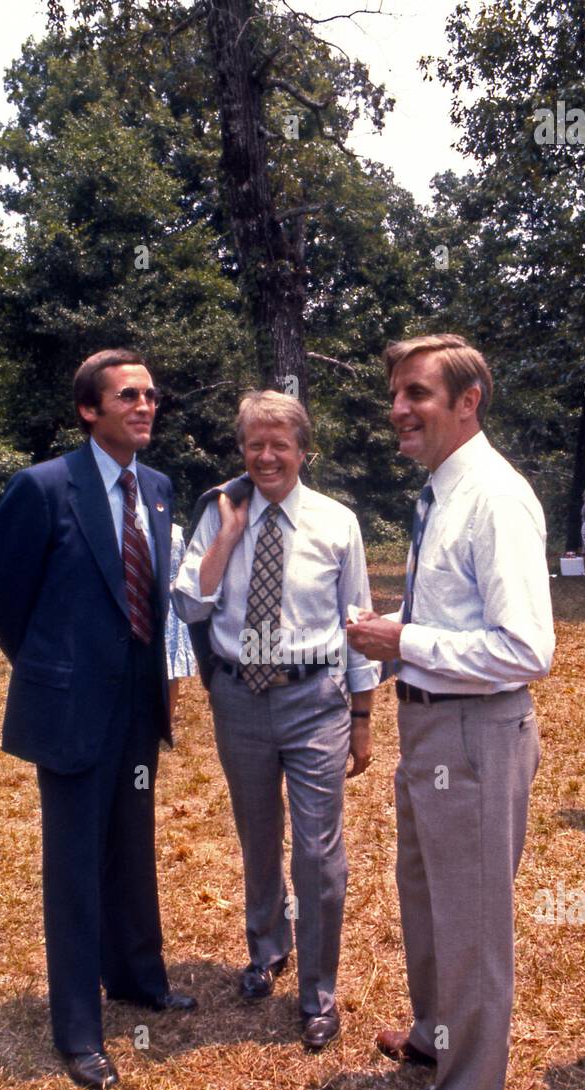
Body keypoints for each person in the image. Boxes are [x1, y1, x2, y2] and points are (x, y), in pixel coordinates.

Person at [347, 334, 555, 1090]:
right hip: (432, 725)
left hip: (473, 730)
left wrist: (407, 640)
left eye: (418, 393)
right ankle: (438, 1036)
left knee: (471, 921)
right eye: (396, 392)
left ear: (468, 403)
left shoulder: (494, 498)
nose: (400, 409)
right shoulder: (442, 493)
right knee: (429, 895)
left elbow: (527, 649)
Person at [0, 349, 196, 1090]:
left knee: (132, 845)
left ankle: (138, 980)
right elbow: (4, 603)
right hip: (71, 707)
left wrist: (162, 680)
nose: (144, 406)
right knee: (73, 864)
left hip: (138, 703)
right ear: (89, 410)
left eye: (151, 395)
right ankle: (78, 1028)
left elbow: (157, 598)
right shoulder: (43, 489)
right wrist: (54, 667)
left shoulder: (160, 489)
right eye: (127, 395)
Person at [172, 390, 378, 1051]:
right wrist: (227, 538)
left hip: (314, 699)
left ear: (302, 451)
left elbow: (360, 622)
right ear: (242, 450)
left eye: (279, 444)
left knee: (318, 852)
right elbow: (189, 606)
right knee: (258, 837)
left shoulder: (336, 522)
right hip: (239, 700)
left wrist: (364, 713)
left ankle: (318, 990)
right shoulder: (218, 513)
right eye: (254, 444)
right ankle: (267, 949)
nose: (266, 456)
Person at [166, 523, 197, 722]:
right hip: (153, 601)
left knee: (170, 672)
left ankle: (167, 719)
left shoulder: (176, 532)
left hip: (169, 606)